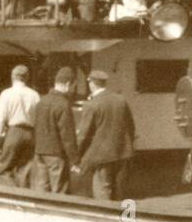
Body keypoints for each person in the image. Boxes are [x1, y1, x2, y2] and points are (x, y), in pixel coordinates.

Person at [75, 69, 136, 201]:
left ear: (91, 84)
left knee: (103, 191)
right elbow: (131, 127)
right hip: (123, 153)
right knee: (119, 192)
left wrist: (77, 155)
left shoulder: (91, 104)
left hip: (102, 157)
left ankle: (105, 219)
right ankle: (123, 219)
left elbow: (83, 135)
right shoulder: (121, 100)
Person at [0, 64, 39, 187]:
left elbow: (0, 118)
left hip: (14, 133)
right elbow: (38, 117)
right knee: (25, 169)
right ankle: (23, 197)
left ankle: (10, 195)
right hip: (30, 134)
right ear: (27, 78)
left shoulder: (7, 94)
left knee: (5, 168)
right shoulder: (35, 95)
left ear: (12, 77)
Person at [33, 67, 79, 193]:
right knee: (60, 191)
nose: (73, 90)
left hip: (40, 152)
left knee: (41, 190)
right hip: (56, 155)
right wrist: (74, 159)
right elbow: (67, 136)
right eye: (74, 86)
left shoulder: (42, 101)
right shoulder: (63, 104)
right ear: (68, 84)